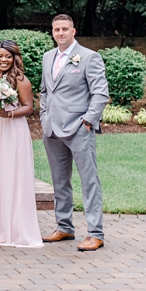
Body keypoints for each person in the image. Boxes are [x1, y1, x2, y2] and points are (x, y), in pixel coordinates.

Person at [40, 14, 109, 251]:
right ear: (52, 32)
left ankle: (95, 233)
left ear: (73, 31)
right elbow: (44, 91)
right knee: (59, 181)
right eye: (56, 29)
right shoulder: (48, 57)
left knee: (89, 181)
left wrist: (88, 122)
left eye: (64, 29)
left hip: (79, 128)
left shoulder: (90, 57)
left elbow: (100, 93)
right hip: (52, 129)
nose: (60, 33)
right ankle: (64, 227)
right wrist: (43, 116)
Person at [0, 40, 43, 248]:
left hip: (11, 130)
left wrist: (9, 113)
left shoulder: (21, 80)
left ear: (15, 57)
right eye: (0, 56)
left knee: (10, 175)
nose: (3, 60)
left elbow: (29, 107)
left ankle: (11, 227)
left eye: (7, 56)